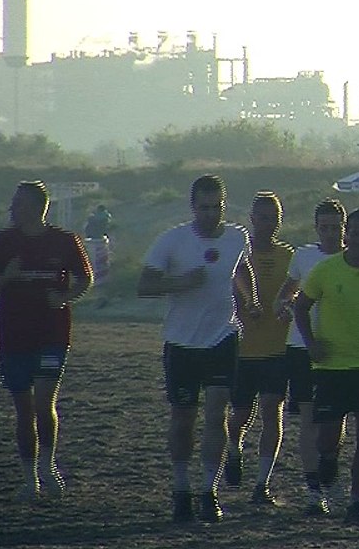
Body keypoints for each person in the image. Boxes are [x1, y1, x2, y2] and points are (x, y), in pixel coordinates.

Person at [138, 174, 258, 523]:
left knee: (217, 412)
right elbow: (144, 285)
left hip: (221, 338)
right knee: (183, 419)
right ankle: (181, 488)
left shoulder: (238, 237)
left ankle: (209, 490)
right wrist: (181, 282)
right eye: (204, 208)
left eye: (216, 207)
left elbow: (240, 270)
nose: (210, 214)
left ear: (224, 204)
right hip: (181, 342)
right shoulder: (172, 241)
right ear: (193, 207)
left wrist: (249, 304)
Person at [0, 180, 94, 501]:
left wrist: (66, 296)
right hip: (14, 334)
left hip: (52, 333)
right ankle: (29, 477)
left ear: (35, 207)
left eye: (17, 203)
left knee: (45, 402)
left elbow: (86, 278)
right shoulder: (3, 242)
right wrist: (8, 277)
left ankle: (48, 465)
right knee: (24, 409)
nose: (11, 208)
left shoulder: (64, 241)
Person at [293, 208, 359, 526]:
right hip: (331, 367)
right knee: (327, 439)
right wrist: (311, 343)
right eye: (357, 234)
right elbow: (301, 306)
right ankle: (329, 462)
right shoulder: (326, 270)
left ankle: (357, 502)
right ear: (347, 235)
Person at [273, 198, 346, 515]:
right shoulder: (304, 256)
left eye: (335, 227)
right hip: (302, 346)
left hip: (341, 348)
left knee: (335, 419)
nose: (330, 233)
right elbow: (286, 291)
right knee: (308, 419)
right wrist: (283, 305)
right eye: (324, 227)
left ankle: (329, 469)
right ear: (316, 228)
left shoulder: (354, 257)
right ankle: (314, 486)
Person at [225, 192, 294, 506]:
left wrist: (288, 307)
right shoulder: (238, 254)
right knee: (240, 413)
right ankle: (234, 448)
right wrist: (242, 309)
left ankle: (262, 483)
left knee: (272, 411)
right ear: (252, 219)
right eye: (263, 217)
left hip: (277, 350)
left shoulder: (288, 257)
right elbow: (225, 292)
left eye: (274, 218)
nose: (268, 224)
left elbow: (298, 293)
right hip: (241, 348)